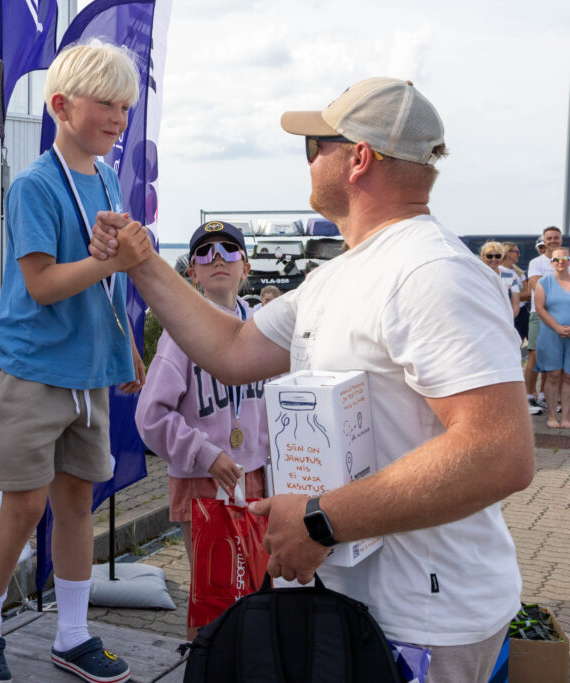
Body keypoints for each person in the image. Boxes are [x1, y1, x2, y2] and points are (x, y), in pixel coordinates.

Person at [91, 77, 533, 682]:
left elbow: (498, 453)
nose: (307, 159)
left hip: (423, 621)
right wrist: (141, 261)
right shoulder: (340, 276)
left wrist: (323, 519)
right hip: (355, 605)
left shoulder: (433, 274)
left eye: (313, 145)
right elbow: (233, 347)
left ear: (358, 158)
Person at [0, 41, 149, 683]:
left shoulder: (107, 175)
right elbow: (41, 284)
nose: (119, 117)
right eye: (107, 104)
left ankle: (72, 633)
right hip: (32, 372)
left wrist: (122, 350)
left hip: (87, 374)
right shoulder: (34, 184)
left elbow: (105, 284)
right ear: (61, 105)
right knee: (23, 507)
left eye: (126, 105)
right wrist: (110, 263)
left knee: (76, 504)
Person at [135, 221, 268, 641]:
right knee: (212, 595)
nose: (217, 259)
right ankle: (204, 665)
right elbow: (150, 416)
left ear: (245, 267)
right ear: (191, 272)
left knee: (258, 590)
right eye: (204, 253)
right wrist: (206, 453)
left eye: (229, 250)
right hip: (201, 481)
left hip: (259, 478)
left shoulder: (267, 330)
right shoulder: (179, 335)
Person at [525, 226, 564, 414]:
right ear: (544, 240)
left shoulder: (566, 261)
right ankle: (528, 397)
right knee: (533, 355)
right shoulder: (536, 262)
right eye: (549, 238)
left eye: (556, 238)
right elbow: (535, 284)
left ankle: (544, 396)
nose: (553, 241)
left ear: (561, 240)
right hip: (539, 313)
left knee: (554, 357)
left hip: (562, 315)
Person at [534, 247, 570, 429]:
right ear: (551, 263)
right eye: (556, 260)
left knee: (568, 376)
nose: (560, 262)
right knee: (553, 375)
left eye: (564, 258)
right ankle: (552, 416)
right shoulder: (544, 282)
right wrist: (557, 327)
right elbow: (540, 308)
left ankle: (566, 417)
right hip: (550, 334)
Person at [479, 241, 519, 318]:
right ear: (483, 257)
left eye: (497, 256)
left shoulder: (511, 277)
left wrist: (508, 320)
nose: (494, 259)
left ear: (501, 257)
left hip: (504, 320)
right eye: (489, 256)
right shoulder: (477, 275)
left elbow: (515, 306)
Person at [501, 241, 530, 342]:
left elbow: (529, 294)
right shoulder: (498, 271)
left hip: (522, 311)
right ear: (507, 252)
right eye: (517, 252)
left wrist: (514, 296)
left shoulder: (519, 271)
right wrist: (516, 296)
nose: (519, 255)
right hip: (507, 312)